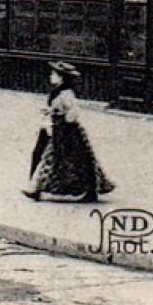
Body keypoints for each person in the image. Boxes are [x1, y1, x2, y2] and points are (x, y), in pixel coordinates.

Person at [25, 62, 114, 203]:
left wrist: (60, 120)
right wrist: (51, 112)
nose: (51, 76)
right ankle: (35, 188)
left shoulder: (67, 93)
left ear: (61, 78)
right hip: (53, 126)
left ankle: (37, 189)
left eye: (54, 74)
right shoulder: (59, 90)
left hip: (63, 129)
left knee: (69, 159)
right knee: (43, 154)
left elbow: (73, 112)